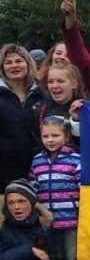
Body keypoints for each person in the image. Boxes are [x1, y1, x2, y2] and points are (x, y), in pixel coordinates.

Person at [30, 117, 85, 260]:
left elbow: (84, 190)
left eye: (55, 135)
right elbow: (33, 190)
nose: (50, 140)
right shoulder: (37, 161)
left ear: (66, 137)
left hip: (72, 221)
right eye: (46, 136)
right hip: (48, 224)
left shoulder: (75, 160)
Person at [0, 44, 46, 189]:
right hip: (4, 178)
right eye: (8, 62)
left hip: (40, 173)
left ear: (28, 63)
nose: (14, 66)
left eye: (19, 61)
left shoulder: (43, 94)